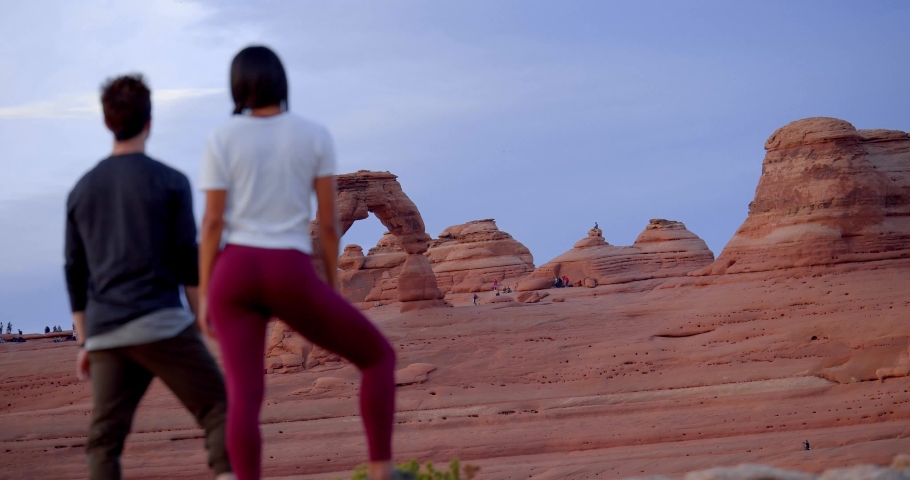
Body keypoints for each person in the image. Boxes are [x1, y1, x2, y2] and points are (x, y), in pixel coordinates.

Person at [198, 46, 403, 480]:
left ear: (236, 87)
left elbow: (213, 223)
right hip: (285, 269)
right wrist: (328, 285)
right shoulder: (312, 135)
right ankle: (383, 471)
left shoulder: (221, 138)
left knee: (244, 395)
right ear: (282, 83)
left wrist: (202, 297)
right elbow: (329, 225)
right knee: (378, 358)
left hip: (232, 274)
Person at [64, 74, 234, 480]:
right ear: (149, 121)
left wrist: (87, 340)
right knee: (218, 409)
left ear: (107, 122)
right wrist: (200, 320)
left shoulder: (81, 190)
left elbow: (75, 269)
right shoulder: (170, 180)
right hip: (161, 323)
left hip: (107, 332)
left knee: (104, 440)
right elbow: (185, 259)